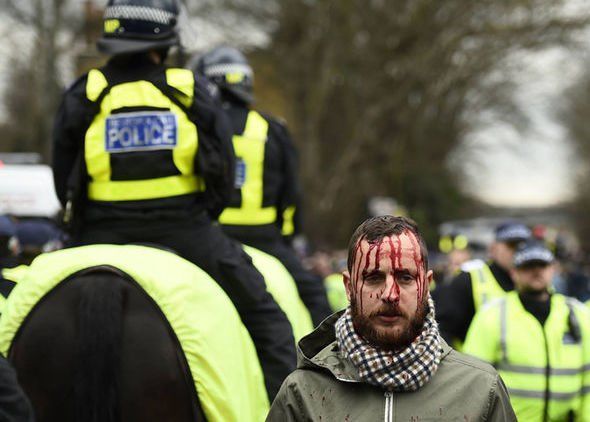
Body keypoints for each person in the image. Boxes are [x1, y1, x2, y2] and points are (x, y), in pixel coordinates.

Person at [51, 0, 295, 400]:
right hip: (186, 232)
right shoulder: (188, 90)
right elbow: (221, 169)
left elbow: (63, 175)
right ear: (163, 44)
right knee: (268, 320)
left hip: (98, 234)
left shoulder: (84, 93)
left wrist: (82, 223)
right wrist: (204, 215)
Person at [267, 215, 516, 421]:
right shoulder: (302, 392)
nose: (390, 294)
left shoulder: (481, 390)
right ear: (349, 287)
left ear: (427, 285)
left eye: (405, 278)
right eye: (374, 277)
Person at [190, 46, 332, 326]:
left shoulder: (197, 126)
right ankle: (331, 363)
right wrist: (287, 238)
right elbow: (291, 196)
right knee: (315, 297)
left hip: (209, 236)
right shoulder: (272, 129)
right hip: (264, 239)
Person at [463, 242, 590, 421]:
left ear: (552, 269)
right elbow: (473, 379)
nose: (536, 271)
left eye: (542, 265)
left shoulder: (578, 314)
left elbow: (588, 380)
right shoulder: (492, 315)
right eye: (528, 266)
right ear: (514, 272)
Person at [435, 221, 531, 348]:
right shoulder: (470, 279)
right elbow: (443, 330)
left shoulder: (536, 284)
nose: (518, 251)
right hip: (472, 364)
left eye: (524, 246)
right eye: (511, 245)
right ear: (493, 248)